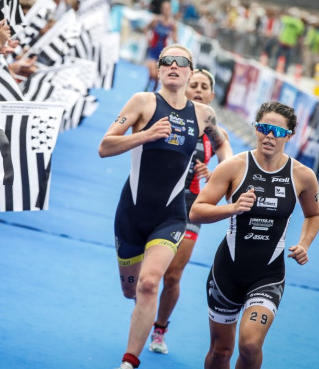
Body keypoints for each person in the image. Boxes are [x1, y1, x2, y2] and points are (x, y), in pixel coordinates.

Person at [98, 45, 232, 369]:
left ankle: (129, 361)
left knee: (150, 283)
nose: (174, 65)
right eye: (166, 61)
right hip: (132, 213)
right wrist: (145, 135)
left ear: (190, 70)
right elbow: (105, 146)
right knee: (131, 290)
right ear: (158, 70)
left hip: (172, 215)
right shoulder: (143, 102)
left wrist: (225, 176)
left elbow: (223, 144)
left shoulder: (203, 115)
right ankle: (141, 313)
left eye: (181, 61)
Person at [189, 101, 319, 369]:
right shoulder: (234, 166)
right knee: (220, 351)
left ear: (289, 136)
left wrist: (304, 244)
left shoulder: (302, 176)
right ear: (256, 129)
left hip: (268, 275)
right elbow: (196, 211)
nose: (269, 136)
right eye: (263, 128)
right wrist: (233, 207)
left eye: (277, 131)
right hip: (227, 272)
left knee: (250, 345)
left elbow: (313, 215)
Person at [149, 68, 230, 354]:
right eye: (193, 84)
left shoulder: (216, 134)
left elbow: (230, 168)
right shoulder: (168, 118)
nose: (197, 90)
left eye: (203, 87)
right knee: (144, 276)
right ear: (184, 88)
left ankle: (160, 329)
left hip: (189, 207)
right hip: (156, 200)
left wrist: (214, 173)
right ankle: (143, 302)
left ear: (212, 95)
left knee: (172, 275)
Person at [144, 0, 177, 92]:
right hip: (153, 50)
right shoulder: (156, 20)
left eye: (168, 9)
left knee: (157, 77)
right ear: (162, 10)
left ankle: (153, 90)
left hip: (163, 53)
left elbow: (176, 39)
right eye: (165, 9)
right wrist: (148, 37)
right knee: (152, 74)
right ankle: (148, 85)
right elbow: (145, 28)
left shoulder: (172, 24)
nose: (166, 11)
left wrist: (174, 39)